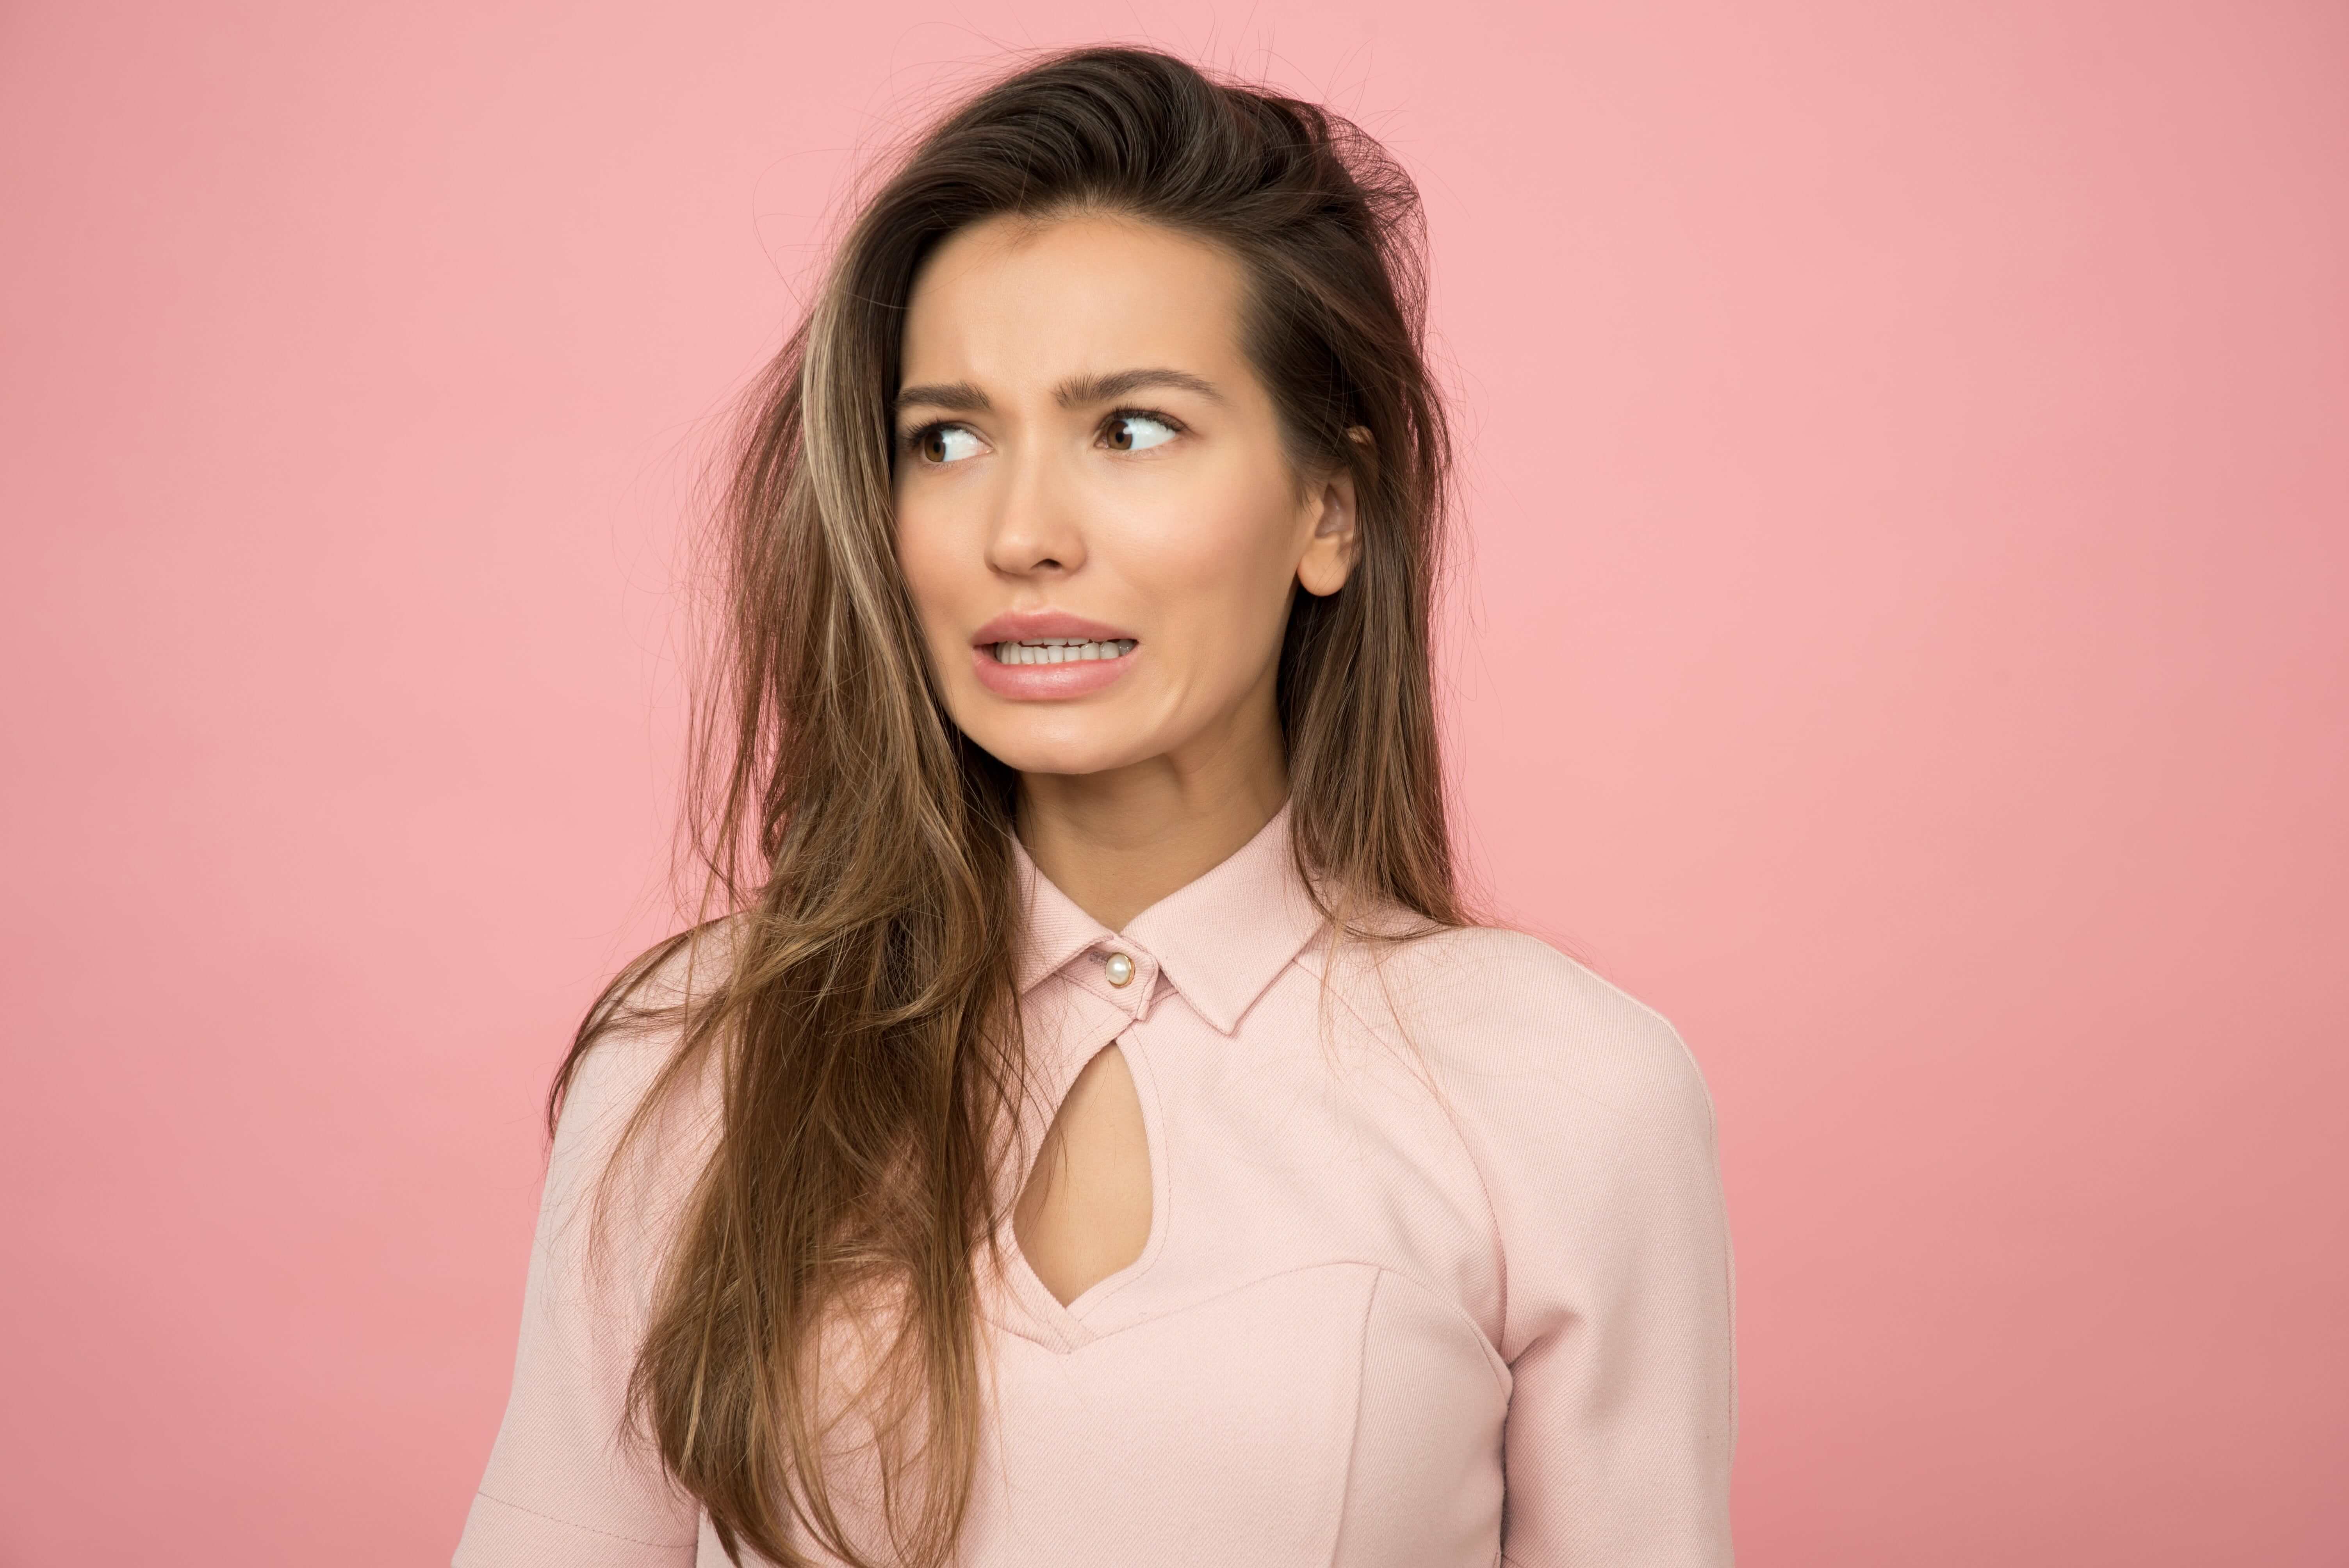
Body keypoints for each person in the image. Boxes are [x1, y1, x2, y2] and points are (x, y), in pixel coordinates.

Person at [453, 44, 1735, 1568]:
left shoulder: (1569, 1087)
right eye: (947, 436)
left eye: (1127, 428)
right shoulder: (697, 1061)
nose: (1020, 532)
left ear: (1330, 506)